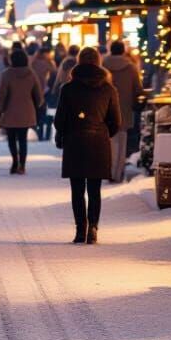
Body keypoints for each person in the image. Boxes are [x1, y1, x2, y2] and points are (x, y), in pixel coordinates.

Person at [54, 46, 120, 244]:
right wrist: (104, 132)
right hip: (98, 142)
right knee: (94, 188)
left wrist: (66, 133)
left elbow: (59, 120)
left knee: (77, 189)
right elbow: (116, 121)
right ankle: (93, 227)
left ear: (79, 61)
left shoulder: (68, 88)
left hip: (75, 140)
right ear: (98, 61)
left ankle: (80, 229)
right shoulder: (108, 89)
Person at [0, 49, 43, 174]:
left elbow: (2, 96)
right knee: (23, 139)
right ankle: (22, 165)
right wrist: (36, 106)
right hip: (26, 111)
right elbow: (39, 96)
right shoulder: (31, 74)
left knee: (11, 139)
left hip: (10, 112)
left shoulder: (6, 74)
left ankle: (15, 161)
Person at [103, 41, 142, 183]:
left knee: (109, 141)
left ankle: (109, 170)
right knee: (121, 141)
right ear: (123, 50)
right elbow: (137, 88)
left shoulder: (103, 65)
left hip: (106, 107)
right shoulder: (130, 67)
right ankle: (117, 173)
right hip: (124, 108)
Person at [30, 44, 57, 141]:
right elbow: (54, 76)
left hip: (34, 92)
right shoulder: (49, 63)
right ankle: (45, 134)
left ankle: (39, 133)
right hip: (46, 92)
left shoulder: (33, 62)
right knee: (45, 114)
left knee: (37, 114)